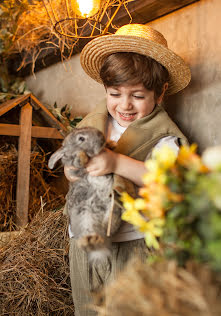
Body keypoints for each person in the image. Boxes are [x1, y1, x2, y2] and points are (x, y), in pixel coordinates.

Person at [65, 23, 191, 316]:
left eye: (137, 96)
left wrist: (116, 162)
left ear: (161, 93)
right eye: (115, 93)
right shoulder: (92, 123)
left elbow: (167, 181)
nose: (125, 105)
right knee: (87, 308)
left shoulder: (164, 136)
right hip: (83, 244)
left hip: (131, 247)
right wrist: (73, 170)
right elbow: (74, 165)